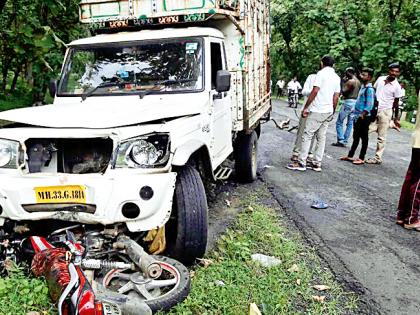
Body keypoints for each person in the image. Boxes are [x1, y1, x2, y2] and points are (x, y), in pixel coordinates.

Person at [287, 55, 341, 172]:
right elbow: (336, 96)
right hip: (328, 111)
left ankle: (301, 162)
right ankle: (317, 163)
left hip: (317, 110)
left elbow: (315, 90)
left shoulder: (320, 74)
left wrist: (306, 107)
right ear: (333, 65)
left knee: (307, 135)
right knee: (321, 137)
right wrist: (333, 109)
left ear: (322, 63)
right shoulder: (336, 77)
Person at [366, 62, 403, 164]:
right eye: (392, 71)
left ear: (398, 73)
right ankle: (360, 153)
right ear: (389, 71)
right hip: (374, 109)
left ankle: (377, 158)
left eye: (396, 72)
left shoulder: (397, 86)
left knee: (381, 136)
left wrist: (395, 118)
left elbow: (396, 103)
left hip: (386, 111)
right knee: (366, 130)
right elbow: (373, 92)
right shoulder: (380, 79)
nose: (394, 73)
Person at [340, 68, 375, 164]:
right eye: (362, 74)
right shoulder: (363, 87)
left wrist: (363, 114)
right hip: (357, 115)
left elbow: (369, 104)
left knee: (364, 137)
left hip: (364, 116)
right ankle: (350, 155)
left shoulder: (369, 89)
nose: (361, 76)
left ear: (369, 77)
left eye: (364, 75)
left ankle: (361, 157)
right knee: (356, 136)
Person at [396, 90, 420, 230]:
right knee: (418, 182)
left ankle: (403, 214)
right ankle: (411, 217)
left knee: (411, 177)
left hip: (417, 138)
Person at [291, 72, 317, 163]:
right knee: (301, 131)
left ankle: (309, 154)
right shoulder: (312, 77)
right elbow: (304, 91)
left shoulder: (331, 78)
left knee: (313, 134)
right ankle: (296, 153)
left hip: (319, 111)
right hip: (308, 108)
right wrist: (315, 90)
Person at [332, 67, 361, 147]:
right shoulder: (358, 82)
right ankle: (345, 140)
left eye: (346, 72)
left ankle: (341, 139)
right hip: (355, 103)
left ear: (349, 72)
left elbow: (343, 92)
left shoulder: (350, 81)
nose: (345, 74)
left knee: (339, 122)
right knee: (350, 123)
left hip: (348, 102)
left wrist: (343, 82)